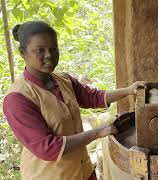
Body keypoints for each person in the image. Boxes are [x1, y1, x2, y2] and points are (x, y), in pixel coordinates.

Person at [2, 21, 145, 180]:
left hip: (82, 170)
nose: (49, 55)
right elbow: (48, 148)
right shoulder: (17, 98)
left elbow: (93, 97)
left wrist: (128, 90)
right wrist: (97, 132)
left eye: (53, 48)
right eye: (39, 50)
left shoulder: (63, 80)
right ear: (23, 53)